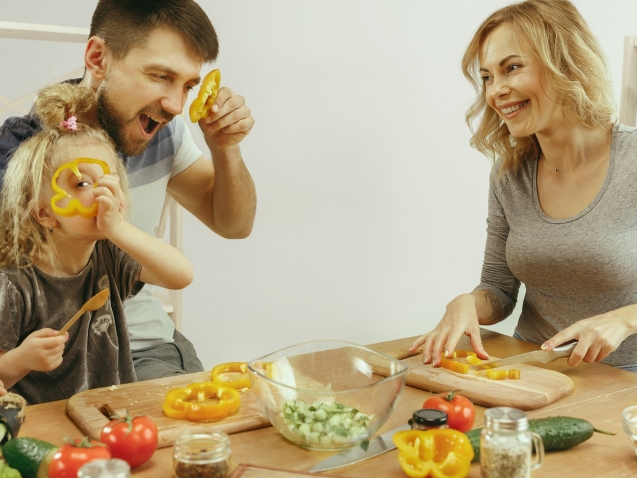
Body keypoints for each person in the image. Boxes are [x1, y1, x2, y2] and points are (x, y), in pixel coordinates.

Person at [0, 0, 257, 380]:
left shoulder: (162, 131)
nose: (175, 105)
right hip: (44, 363)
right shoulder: (23, 158)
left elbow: (234, 225)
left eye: (187, 85)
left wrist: (225, 149)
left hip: (145, 349)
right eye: (159, 76)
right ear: (98, 58)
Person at [410, 0, 637, 372]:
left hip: (625, 388)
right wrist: (466, 302)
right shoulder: (509, 174)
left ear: (565, 63)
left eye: (511, 68)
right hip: (531, 376)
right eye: (487, 77)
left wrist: (624, 319)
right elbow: (499, 289)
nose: (495, 91)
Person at [0, 83, 194, 404]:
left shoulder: (111, 255)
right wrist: (22, 359)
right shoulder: (14, 284)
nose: (102, 192)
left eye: (110, 180)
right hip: (46, 431)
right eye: (82, 182)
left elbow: (181, 275)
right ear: (44, 212)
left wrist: (118, 228)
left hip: (111, 416)